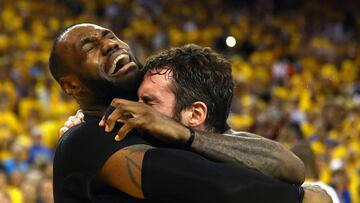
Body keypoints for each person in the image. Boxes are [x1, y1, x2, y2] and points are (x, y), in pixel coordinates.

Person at [50, 23, 331, 202]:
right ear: (71, 85)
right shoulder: (86, 137)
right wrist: (302, 199)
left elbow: (290, 166)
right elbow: (205, 185)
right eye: (90, 46)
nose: (110, 43)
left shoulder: (157, 128)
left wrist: (186, 135)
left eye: (110, 35)